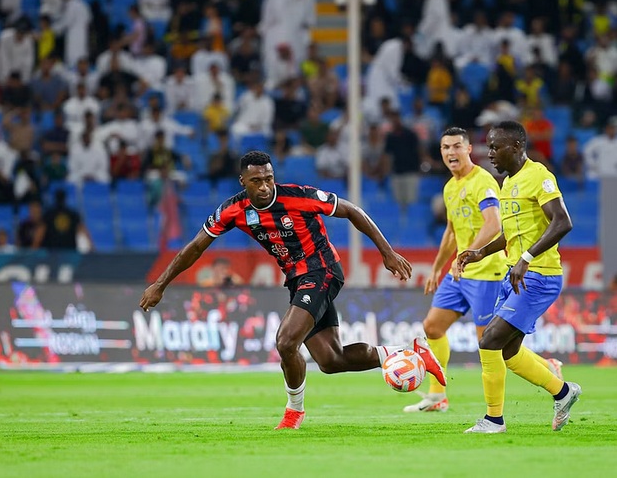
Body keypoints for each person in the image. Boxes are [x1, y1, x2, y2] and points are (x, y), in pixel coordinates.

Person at [140, 150, 447, 429]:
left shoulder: (298, 196)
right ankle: (408, 351)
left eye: (269, 179)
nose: (264, 187)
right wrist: (160, 284)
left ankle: (293, 412)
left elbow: (352, 210)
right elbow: (195, 247)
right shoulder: (233, 209)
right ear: (243, 181)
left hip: (322, 271)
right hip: (297, 280)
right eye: (256, 181)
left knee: (286, 341)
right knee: (331, 360)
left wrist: (387, 253)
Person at [404, 127, 562, 413]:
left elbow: (493, 224)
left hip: (487, 273)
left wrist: (470, 253)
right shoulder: (450, 187)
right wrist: (437, 268)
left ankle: (543, 369)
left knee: (489, 342)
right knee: (432, 327)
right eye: (445, 147)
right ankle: (438, 396)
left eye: (456, 146)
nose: (451, 152)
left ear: (467, 149)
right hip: (460, 271)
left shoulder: (484, 181)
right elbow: (451, 232)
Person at [457, 121, 581, 433]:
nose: (490, 153)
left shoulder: (539, 175)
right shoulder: (508, 182)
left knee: (489, 340)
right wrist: (481, 252)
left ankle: (493, 420)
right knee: (508, 352)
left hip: (539, 275)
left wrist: (526, 258)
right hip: (516, 276)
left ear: (516, 146)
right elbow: (511, 234)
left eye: (495, 147)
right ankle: (563, 392)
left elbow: (563, 222)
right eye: (488, 147)